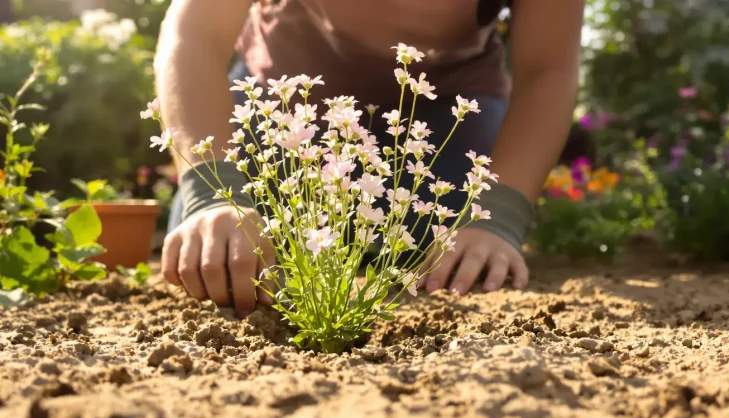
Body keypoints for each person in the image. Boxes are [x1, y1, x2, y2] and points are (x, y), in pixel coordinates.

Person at [155, 0, 585, 317]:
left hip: (445, 115)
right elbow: (194, 32)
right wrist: (214, 194)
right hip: (284, 103)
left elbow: (547, 70)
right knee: (226, 255)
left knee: (458, 260)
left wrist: (498, 218)